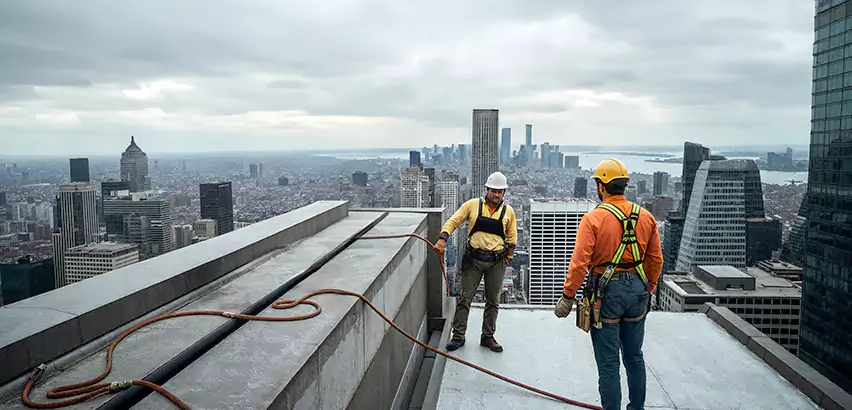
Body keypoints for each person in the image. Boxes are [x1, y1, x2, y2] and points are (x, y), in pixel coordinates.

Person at [553, 158, 663, 410]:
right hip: (638, 290)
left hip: (606, 294)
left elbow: (579, 263)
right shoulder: (646, 217)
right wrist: (648, 288)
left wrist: (568, 296)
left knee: (609, 362)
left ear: (601, 186)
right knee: (634, 356)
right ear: (624, 185)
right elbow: (656, 259)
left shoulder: (593, 219)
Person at [433, 171, 517, 353]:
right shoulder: (473, 205)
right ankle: (458, 336)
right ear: (487, 190)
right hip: (474, 260)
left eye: (500, 192)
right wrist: (443, 238)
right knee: (465, 298)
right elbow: (453, 221)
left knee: (493, 301)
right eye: (493, 191)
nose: (496, 195)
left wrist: (507, 258)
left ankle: (488, 336)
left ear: (503, 193)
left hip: (496, 261)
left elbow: (512, 238)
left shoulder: (508, 212)